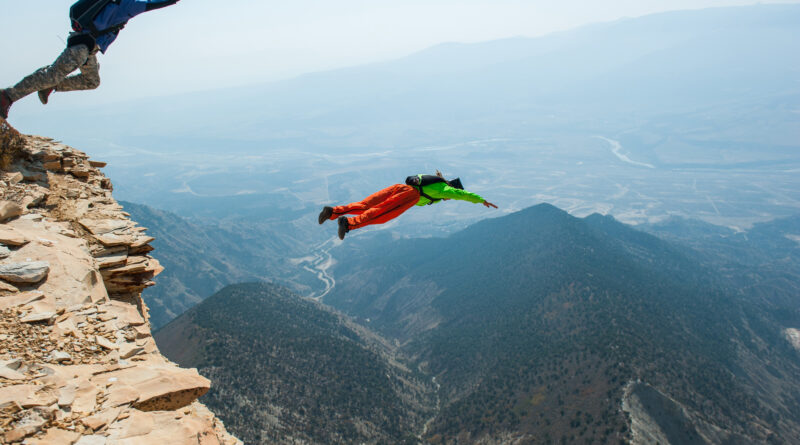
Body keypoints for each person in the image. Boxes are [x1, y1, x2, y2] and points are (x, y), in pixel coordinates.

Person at [1, 0, 181, 120]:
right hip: (81, 47)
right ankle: (7, 95)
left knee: (91, 81)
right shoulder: (127, 5)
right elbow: (155, 3)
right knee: (52, 74)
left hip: (88, 49)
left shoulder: (116, 3)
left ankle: (52, 86)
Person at [319, 172, 498, 240]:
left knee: (366, 204)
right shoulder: (445, 189)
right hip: (409, 196)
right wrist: (481, 200)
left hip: (401, 188)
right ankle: (348, 224)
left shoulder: (436, 182)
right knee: (381, 214)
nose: (449, 199)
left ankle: (333, 211)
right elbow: (462, 195)